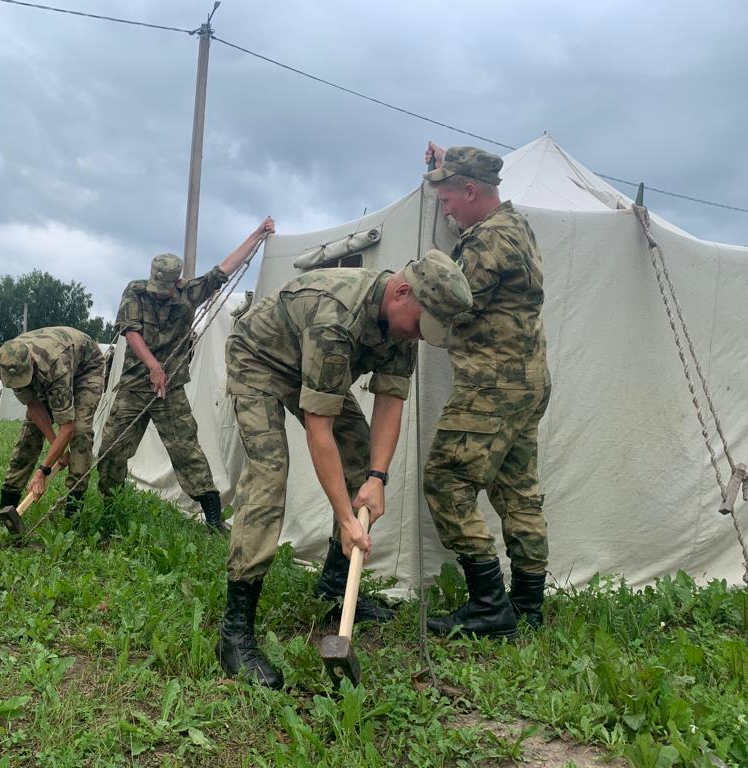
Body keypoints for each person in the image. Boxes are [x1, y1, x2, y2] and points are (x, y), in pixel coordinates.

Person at [217, 251, 474, 688]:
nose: (416, 334)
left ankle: (335, 588)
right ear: (402, 291)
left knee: (360, 458)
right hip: (259, 360)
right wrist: (343, 517)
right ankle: (234, 632)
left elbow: (391, 403)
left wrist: (376, 479)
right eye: (417, 323)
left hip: (312, 368)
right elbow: (320, 428)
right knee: (269, 474)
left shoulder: (403, 326)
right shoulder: (336, 315)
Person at [422, 143, 552, 638]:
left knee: (445, 480)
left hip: (492, 386)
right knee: (518, 491)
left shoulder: (485, 243)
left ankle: (489, 608)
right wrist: (437, 168)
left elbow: (448, 299)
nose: (445, 207)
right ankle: (527, 608)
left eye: (448, 198)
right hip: (527, 382)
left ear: (471, 190)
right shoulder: (516, 226)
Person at [97, 218, 275, 531]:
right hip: (135, 388)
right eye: (158, 287)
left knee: (187, 451)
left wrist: (258, 234)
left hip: (170, 391)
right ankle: (109, 506)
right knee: (112, 448)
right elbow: (131, 331)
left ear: (178, 282)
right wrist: (153, 365)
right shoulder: (135, 292)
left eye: (168, 288)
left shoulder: (189, 293)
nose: (162, 293)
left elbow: (224, 269)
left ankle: (213, 518)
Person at [0, 326, 104, 526]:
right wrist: (57, 449)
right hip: (49, 369)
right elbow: (33, 405)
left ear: (31, 362)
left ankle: (73, 513)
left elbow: (67, 426)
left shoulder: (56, 366)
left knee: (80, 432)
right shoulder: (11, 361)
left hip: (86, 368)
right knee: (30, 432)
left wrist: (43, 471)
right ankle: (5, 507)